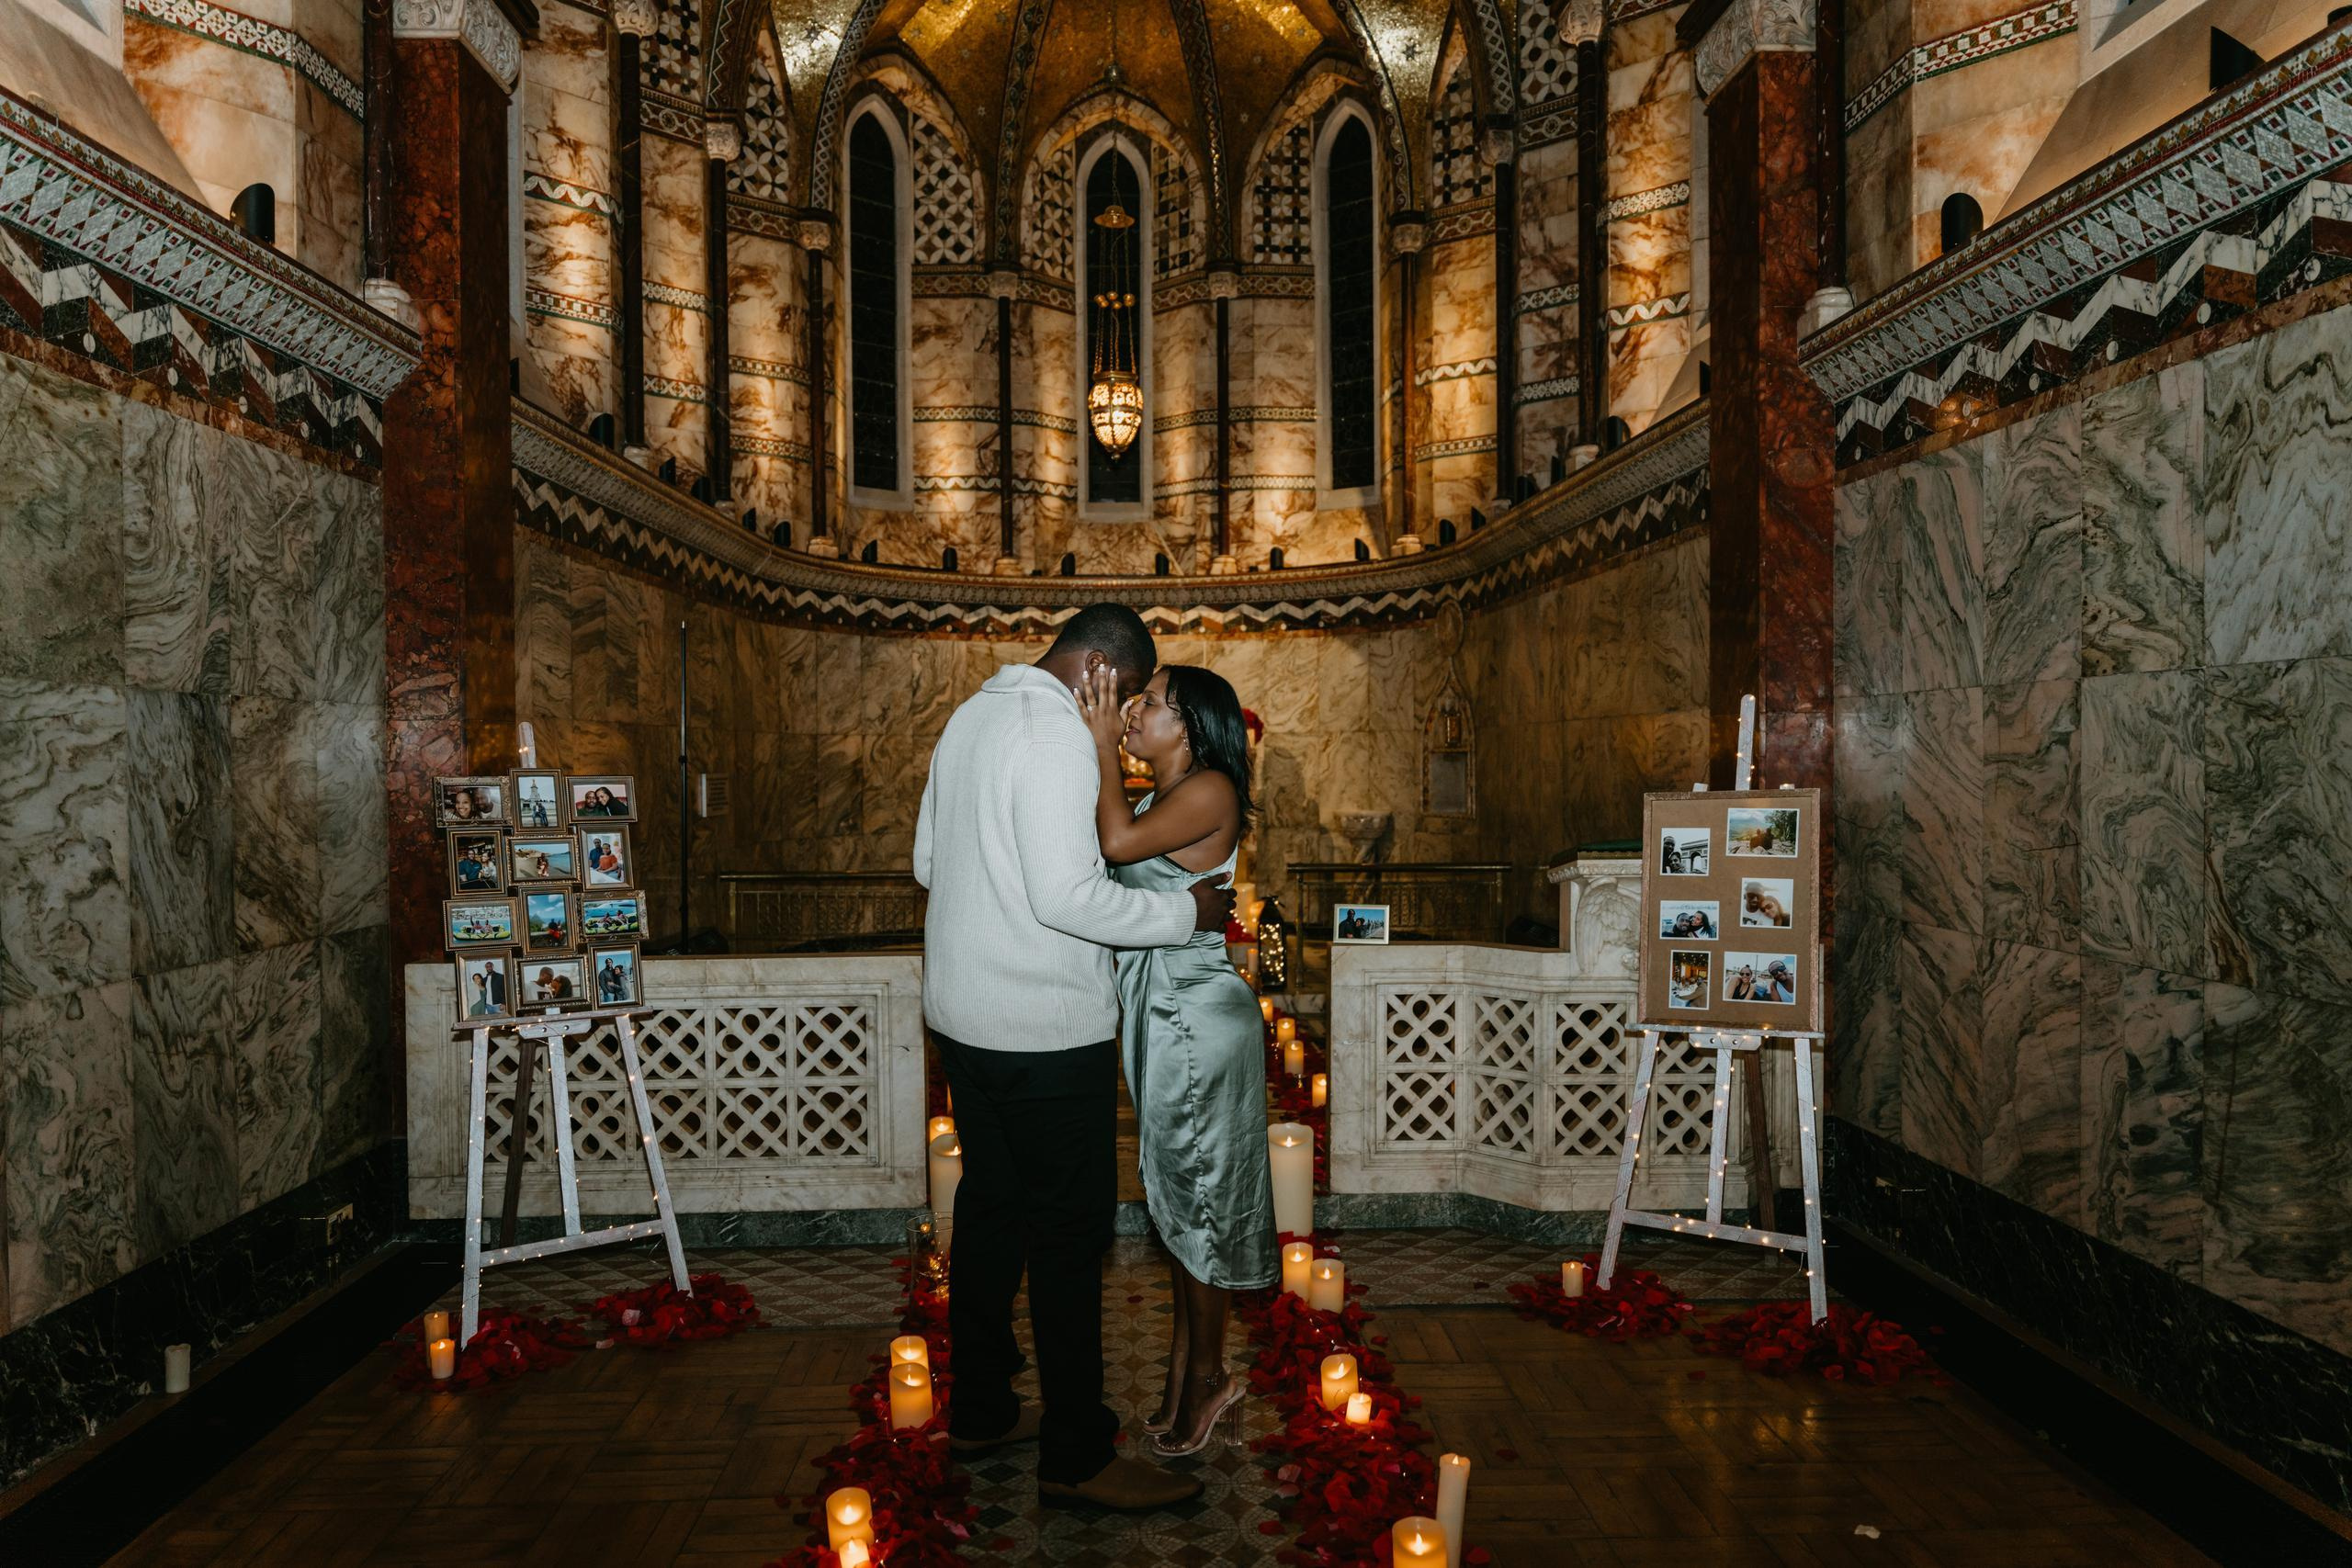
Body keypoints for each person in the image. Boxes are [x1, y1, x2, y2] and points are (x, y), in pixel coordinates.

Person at [912, 604, 1231, 1513]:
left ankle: (977, 1408)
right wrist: (1186, 917)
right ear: (1099, 670)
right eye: (1125, 694)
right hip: (1043, 1029)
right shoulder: (1053, 738)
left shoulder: (969, 715)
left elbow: (930, 861)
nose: (1123, 716)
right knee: (1065, 1240)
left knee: (989, 1212)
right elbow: (1067, 899)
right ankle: (1078, 1457)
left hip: (962, 1016)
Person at [1075, 661, 1276, 1458]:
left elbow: (1117, 842)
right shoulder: (1166, 795)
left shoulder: (1213, 787)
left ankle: (1208, 1376)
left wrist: (1096, 746)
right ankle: (1187, 1368)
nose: (1130, 713)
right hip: (1164, 1009)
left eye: (1148, 703)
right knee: (1181, 1196)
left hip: (1196, 1014)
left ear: (1188, 725)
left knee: (1198, 1203)